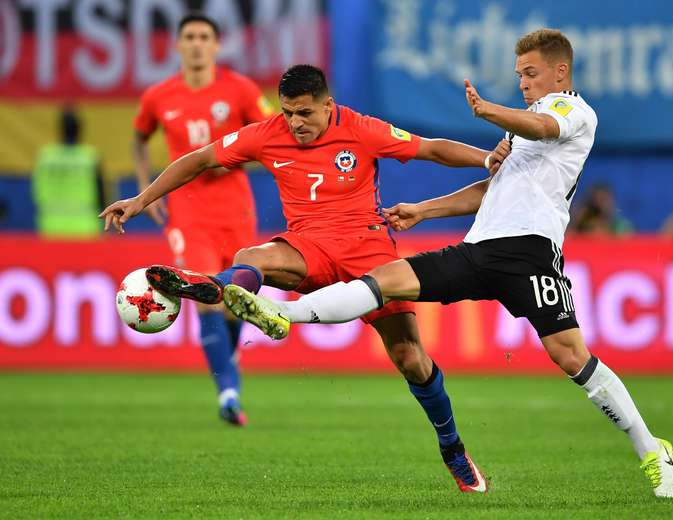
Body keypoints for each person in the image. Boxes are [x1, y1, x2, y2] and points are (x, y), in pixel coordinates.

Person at [218, 30, 673, 498]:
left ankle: (651, 449)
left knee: (571, 356)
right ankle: (282, 314)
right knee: (384, 280)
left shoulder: (571, 112)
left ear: (560, 71)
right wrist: (425, 209)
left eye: (531, 73)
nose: (522, 82)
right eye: (519, 74)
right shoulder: (518, 127)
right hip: (479, 248)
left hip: (531, 254)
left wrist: (485, 111)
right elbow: (491, 190)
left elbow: (543, 128)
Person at [101, 64, 512, 493]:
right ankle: (219, 287)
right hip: (307, 248)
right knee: (251, 257)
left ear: (327, 105)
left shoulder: (361, 129)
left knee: (410, 356)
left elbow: (430, 148)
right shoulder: (266, 132)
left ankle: (452, 447)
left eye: (305, 113)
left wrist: (485, 159)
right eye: (288, 113)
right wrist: (141, 198)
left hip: (368, 250)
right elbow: (200, 160)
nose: (295, 123)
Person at [132, 12, 274, 426]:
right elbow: (138, 138)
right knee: (204, 294)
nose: (196, 43)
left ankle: (230, 374)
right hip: (187, 211)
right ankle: (228, 392)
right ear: (178, 45)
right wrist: (148, 189)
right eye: (189, 36)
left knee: (231, 302)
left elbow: (269, 135)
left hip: (236, 210)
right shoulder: (159, 96)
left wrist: (234, 161)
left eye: (204, 37)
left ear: (215, 45)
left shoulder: (240, 89)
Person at [32, 106, 104, 238]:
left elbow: (36, 192)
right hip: (85, 228)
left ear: (60, 129)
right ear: (79, 129)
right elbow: (102, 196)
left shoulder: (46, 157)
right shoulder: (89, 157)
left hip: (51, 227)